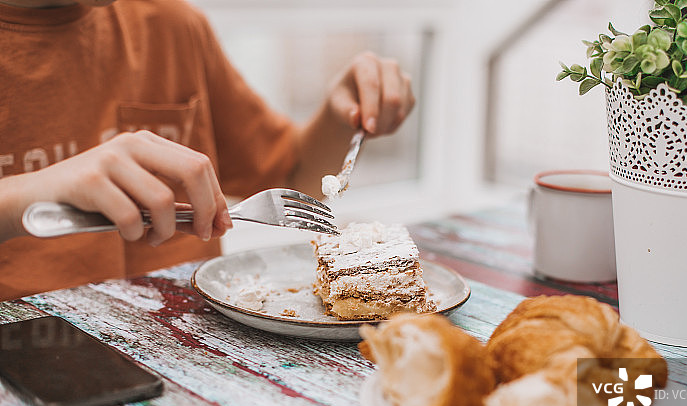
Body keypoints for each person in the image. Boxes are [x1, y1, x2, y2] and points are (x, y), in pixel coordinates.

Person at [0, 0, 415, 300]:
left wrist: (341, 115)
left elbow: (291, 179)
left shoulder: (170, 25)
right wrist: (20, 198)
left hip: (190, 351)